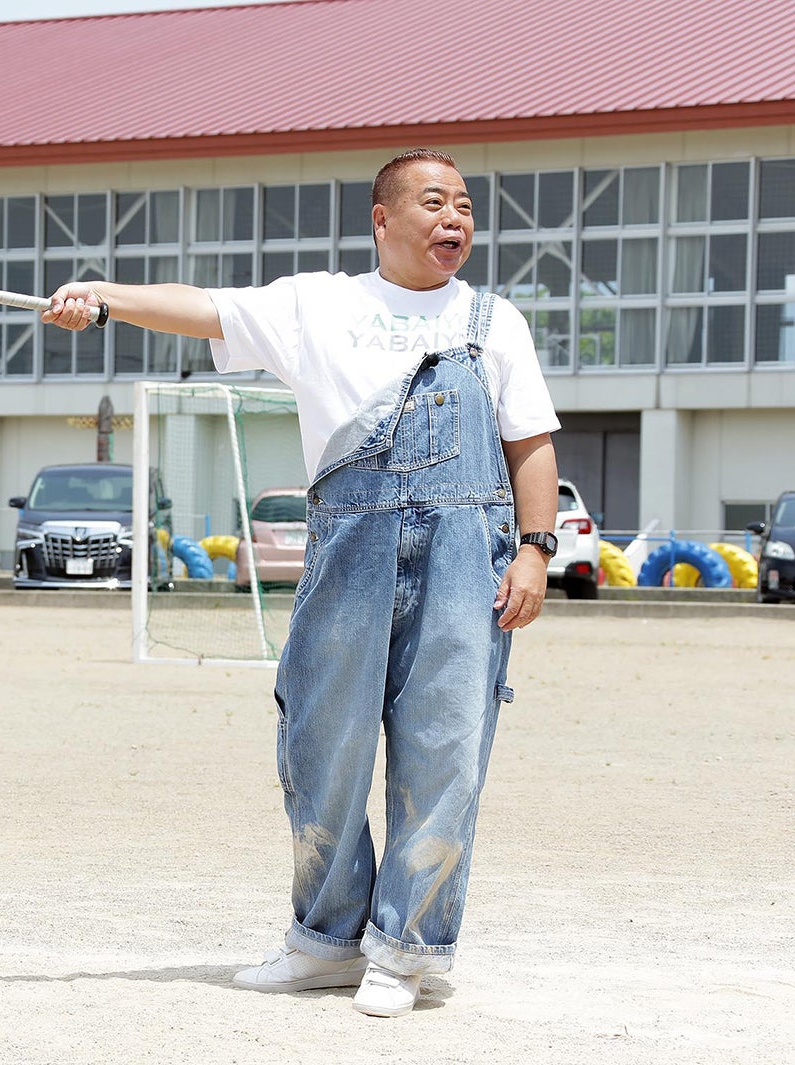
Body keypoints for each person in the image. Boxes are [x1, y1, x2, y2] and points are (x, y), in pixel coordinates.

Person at [44, 149, 561, 1018]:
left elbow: (530, 443)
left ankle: (408, 948)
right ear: (382, 218)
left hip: (467, 559)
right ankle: (324, 940)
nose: (454, 220)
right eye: (434, 202)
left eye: (466, 206)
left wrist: (536, 549)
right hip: (348, 551)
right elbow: (203, 308)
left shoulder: (493, 320)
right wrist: (103, 292)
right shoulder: (320, 304)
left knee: (446, 750)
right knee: (322, 746)